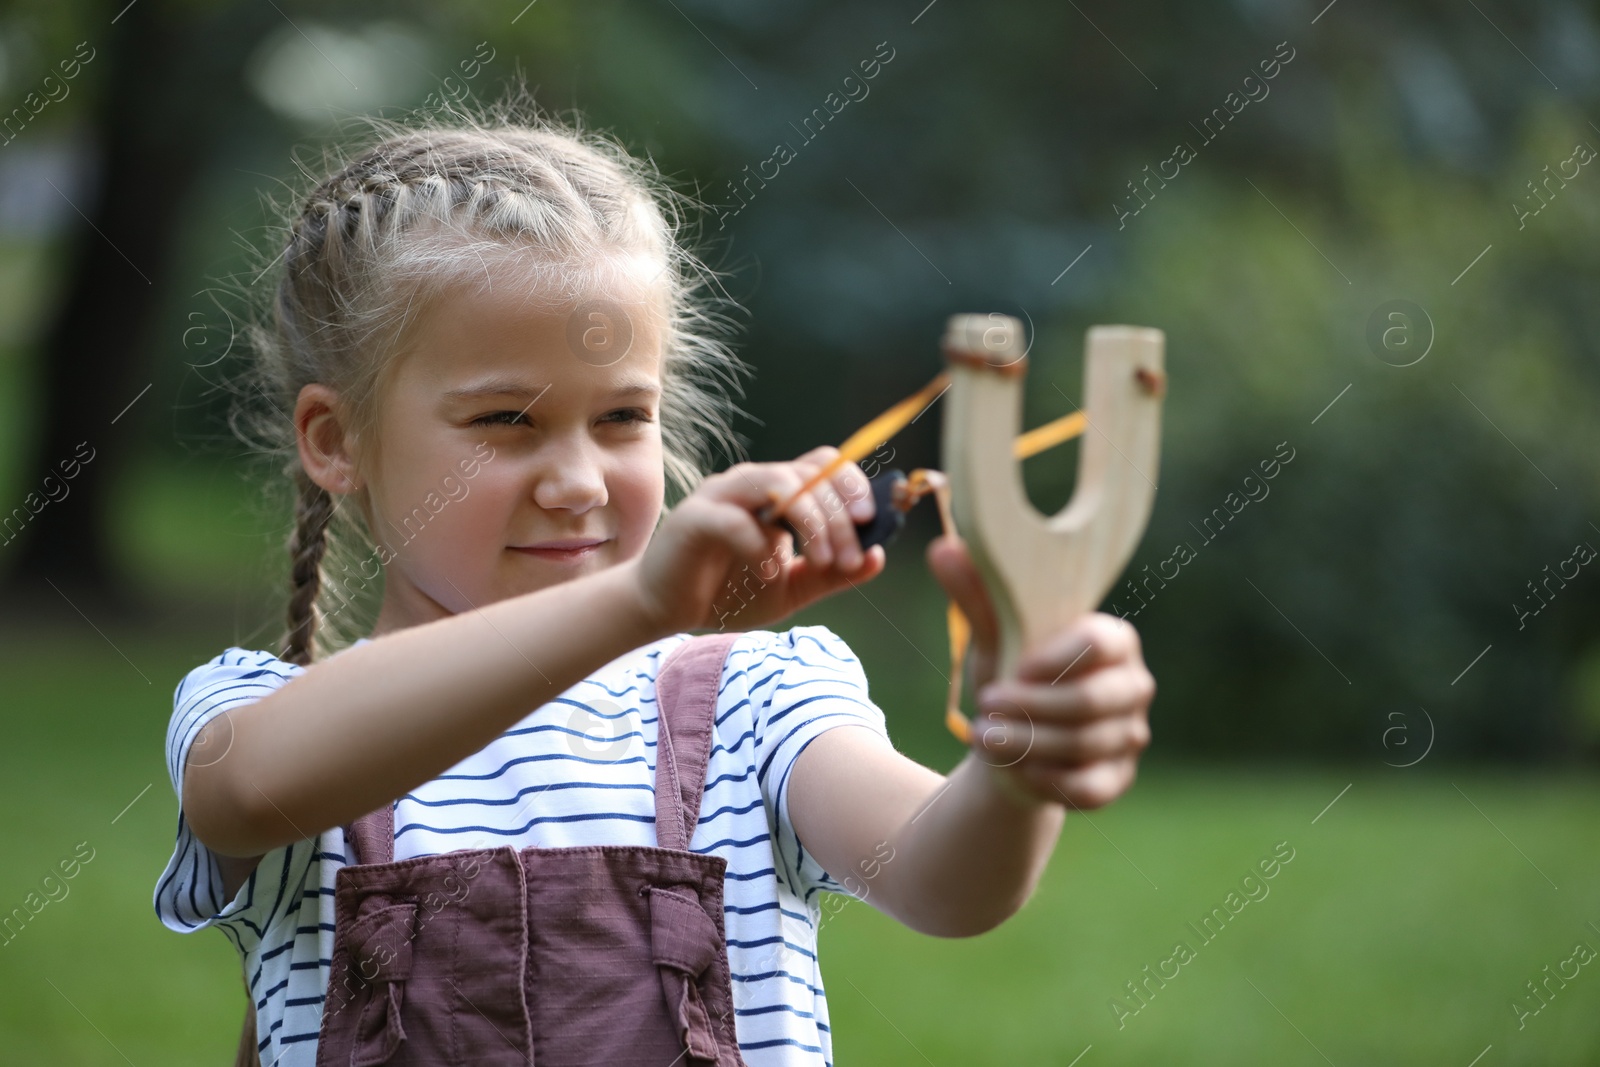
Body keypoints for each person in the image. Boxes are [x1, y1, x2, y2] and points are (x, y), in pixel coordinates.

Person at [152, 102, 1155, 1067]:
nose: (580, 480)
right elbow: (249, 789)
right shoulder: (259, 709)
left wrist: (1019, 769)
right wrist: (638, 605)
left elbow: (945, 881)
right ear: (338, 440)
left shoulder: (751, 700)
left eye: (623, 417)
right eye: (505, 420)